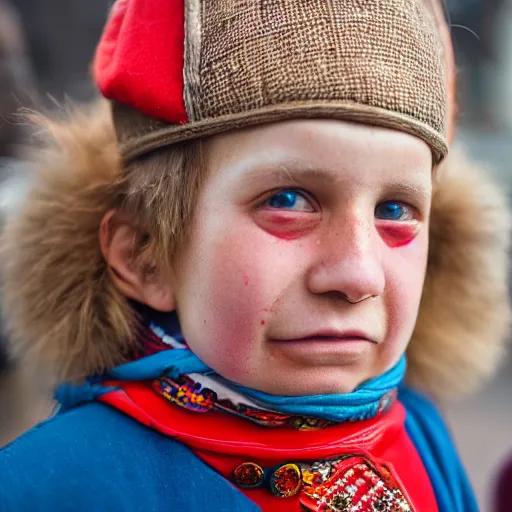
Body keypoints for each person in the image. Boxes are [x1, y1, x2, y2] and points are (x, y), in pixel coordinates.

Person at [0, 0, 510, 511]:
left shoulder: (419, 432)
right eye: (287, 201)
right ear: (146, 256)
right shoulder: (54, 487)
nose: (357, 274)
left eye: (396, 209)